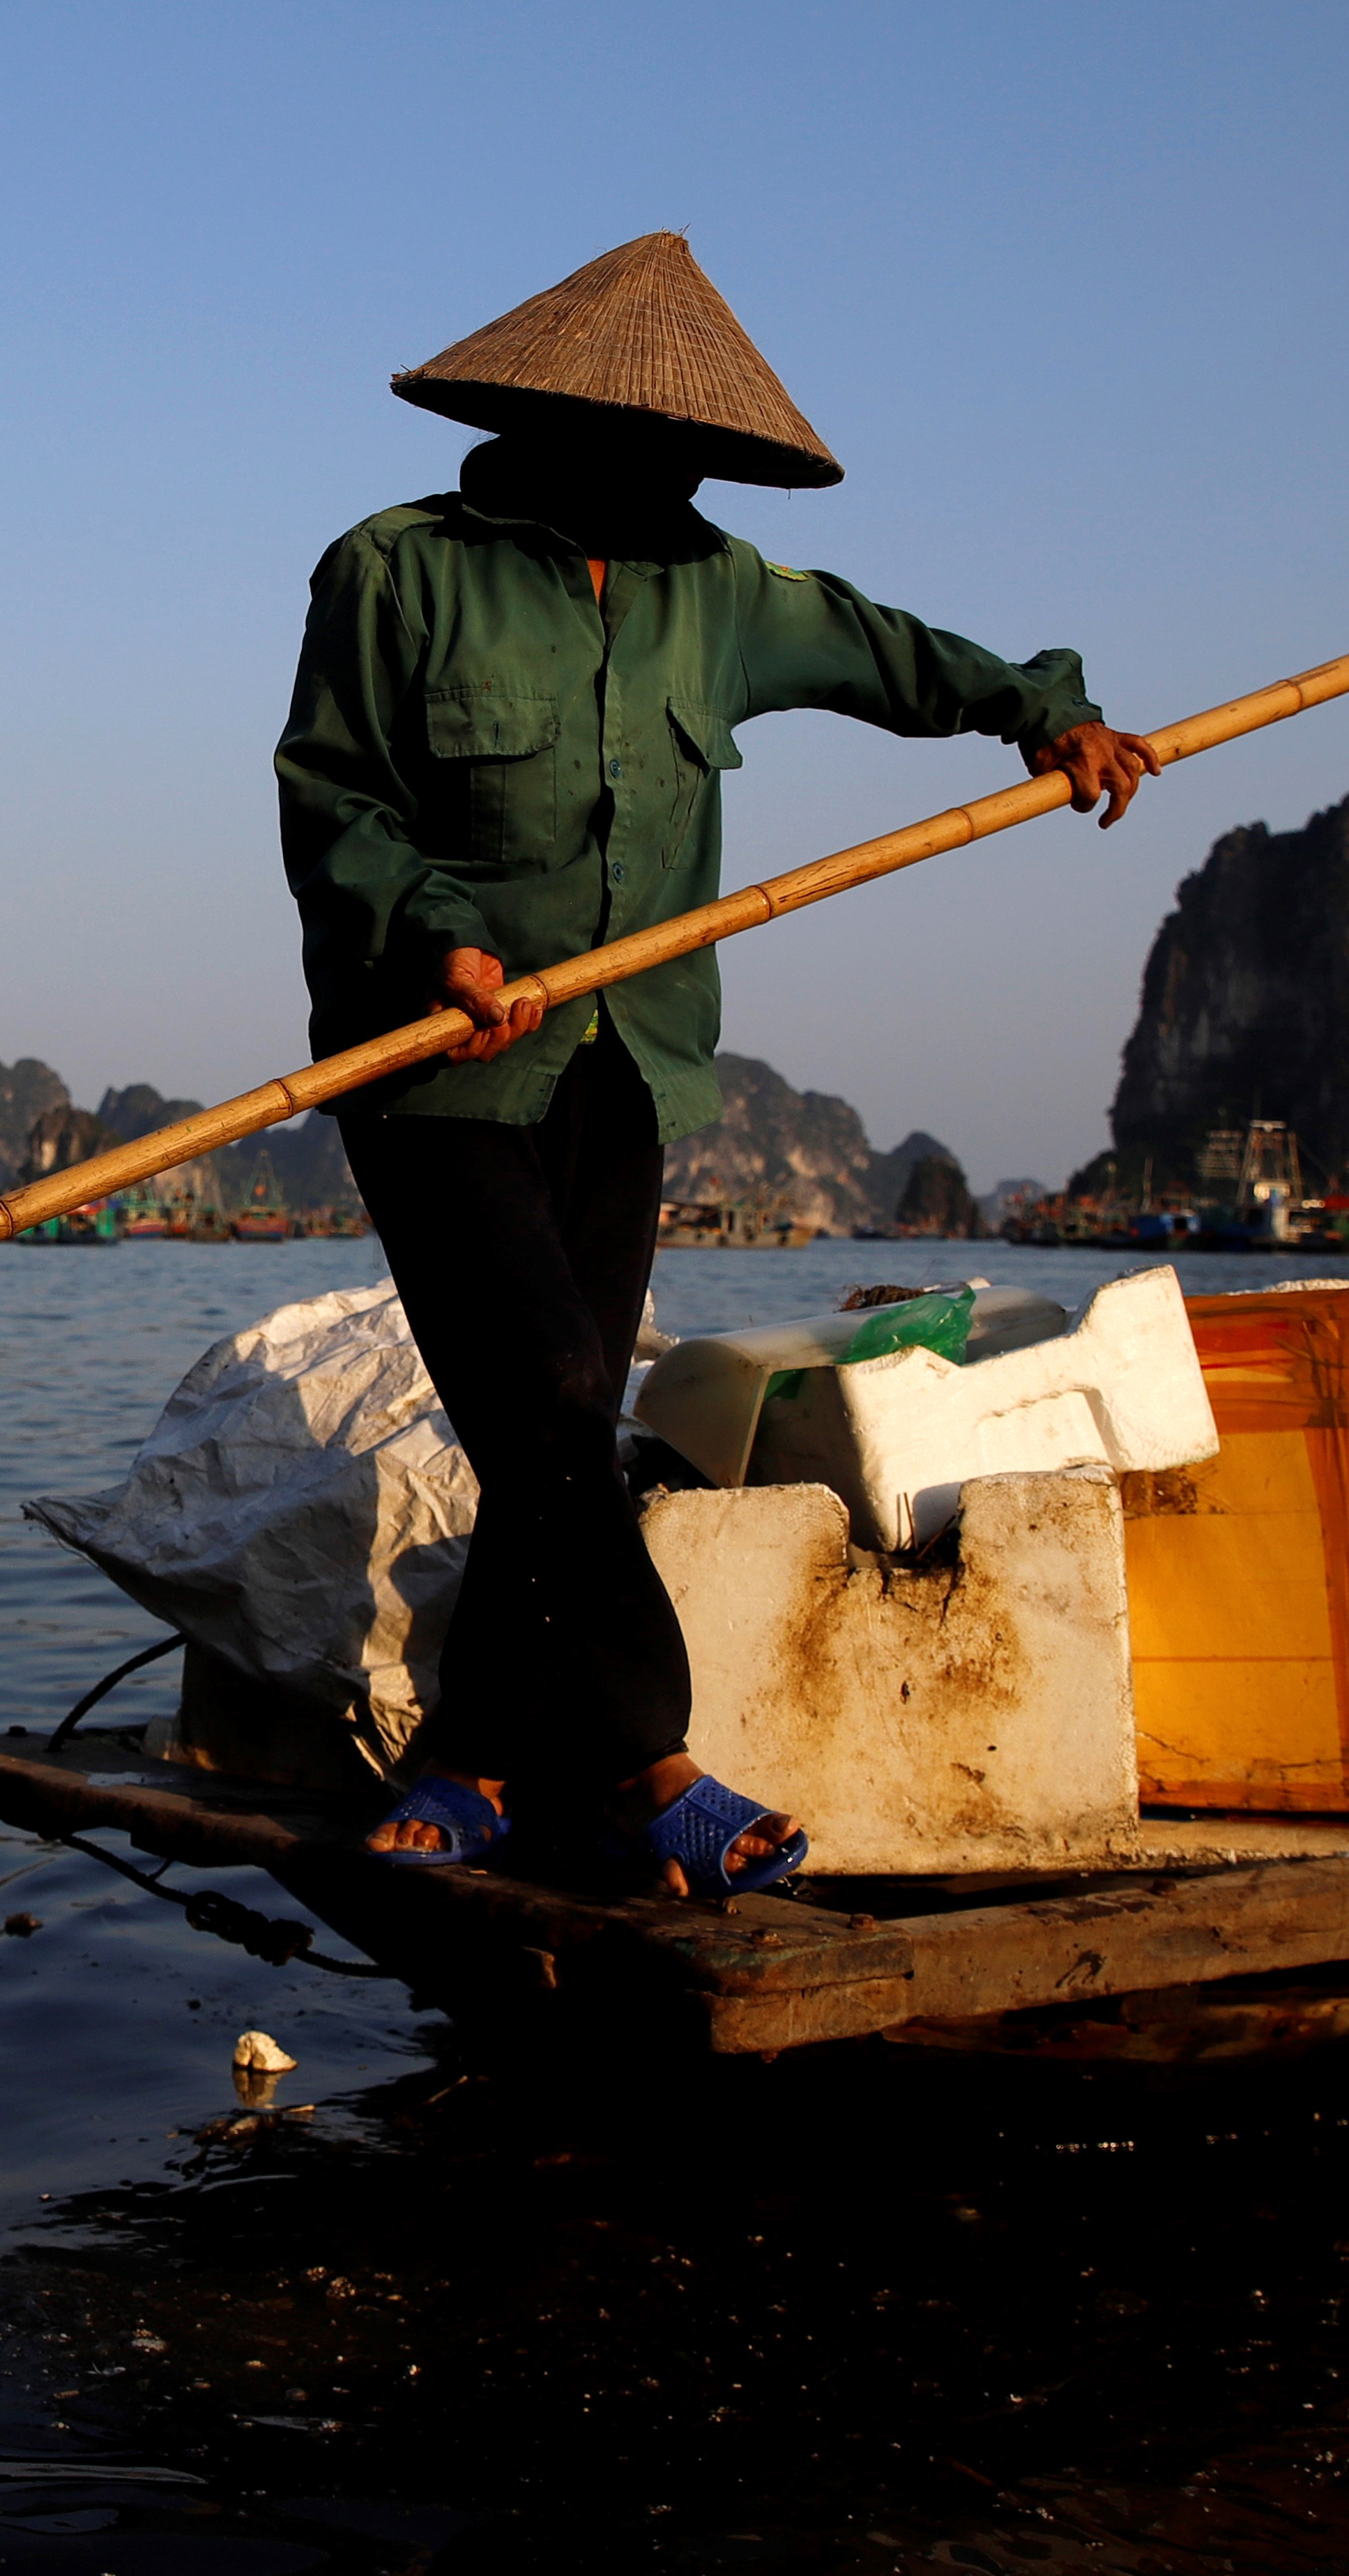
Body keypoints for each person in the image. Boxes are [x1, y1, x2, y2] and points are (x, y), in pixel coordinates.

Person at [273, 232, 1160, 1896]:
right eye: (637, 446)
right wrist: (441, 937)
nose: (665, 474)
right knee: (538, 1390)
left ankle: (470, 1751)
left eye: (687, 453)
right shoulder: (394, 573)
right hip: (433, 1067)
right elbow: (335, 804)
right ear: (547, 426)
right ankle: (646, 1756)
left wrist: (1044, 711)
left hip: (631, 1058)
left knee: (562, 1425)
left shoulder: (718, 594)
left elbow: (896, 654)